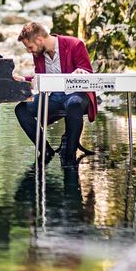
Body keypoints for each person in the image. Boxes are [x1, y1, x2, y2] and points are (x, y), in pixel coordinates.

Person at [13, 22, 97, 165]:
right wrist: (24, 80)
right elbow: (41, 79)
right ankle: (45, 150)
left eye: (30, 47)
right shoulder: (39, 53)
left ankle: (70, 155)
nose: (29, 51)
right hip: (52, 97)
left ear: (39, 40)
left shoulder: (75, 45)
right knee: (21, 109)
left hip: (76, 95)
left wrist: (80, 72)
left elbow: (88, 74)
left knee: (74, 104)